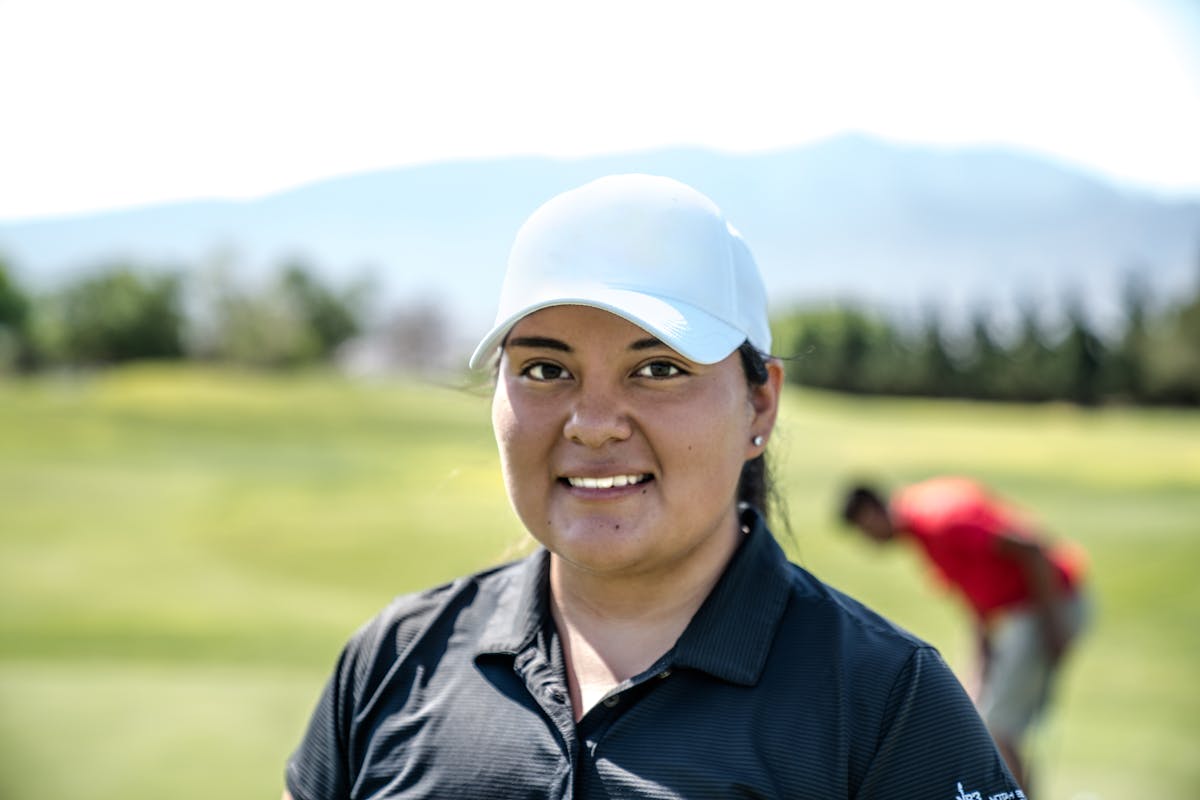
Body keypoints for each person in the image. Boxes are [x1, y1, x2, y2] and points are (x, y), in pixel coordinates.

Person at [284, 175, 1023, 799]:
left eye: (659, 369)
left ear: (760, 403)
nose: (592, 424)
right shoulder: (392, 662)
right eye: (545, 369)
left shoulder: (887, 703)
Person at [840, 477, 1090, 794]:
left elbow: (1031, 550)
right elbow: (977, 590)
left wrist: (1052, 623)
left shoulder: (939, 522)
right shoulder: (922, 526)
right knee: (990, 718)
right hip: (1026, 613)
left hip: (1044, 606)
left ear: (871, 511)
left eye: (864, 529)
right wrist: (982, 659)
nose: (868, 542)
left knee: (997, 726)